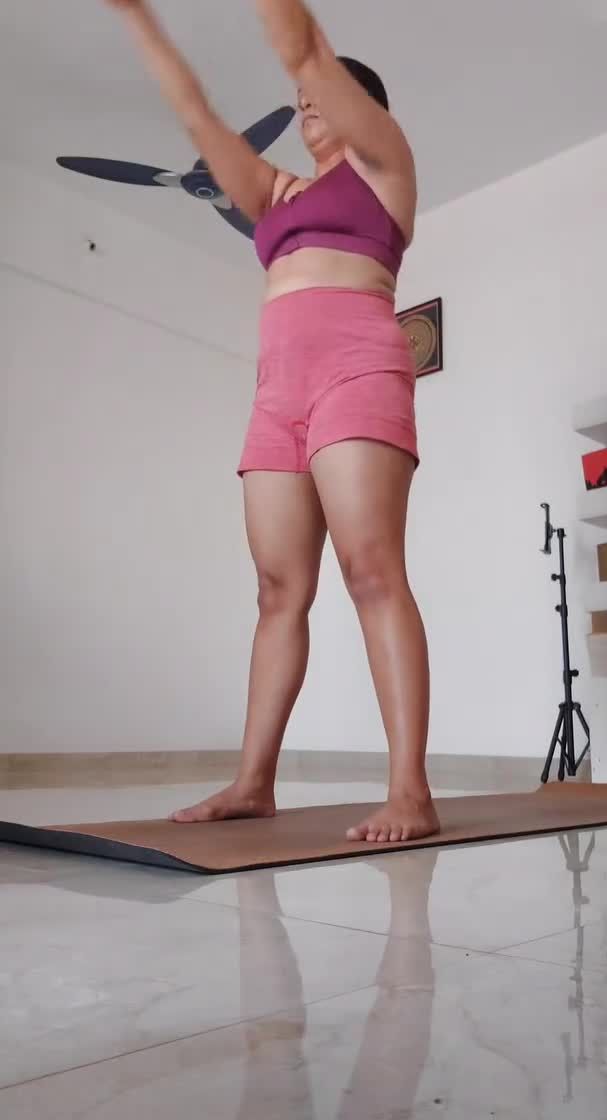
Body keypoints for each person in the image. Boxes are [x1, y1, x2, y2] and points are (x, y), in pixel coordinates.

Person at [105, 0, 439, 843]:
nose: (306, 106)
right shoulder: (278, 192)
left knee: (371, 570)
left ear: (365, 106)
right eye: (301, 105)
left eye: (321, 97)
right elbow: (198, 118)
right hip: (277, 390)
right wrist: (136, 16)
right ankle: (254, 781)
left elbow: (304, 49)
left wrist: (312, 67)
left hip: (358, 364)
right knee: (278, 590)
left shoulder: (386, 162)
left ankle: (409, 790)